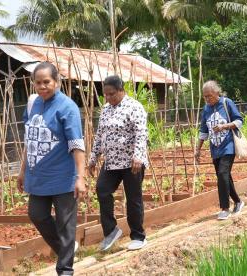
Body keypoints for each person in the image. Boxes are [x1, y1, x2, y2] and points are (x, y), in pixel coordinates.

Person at [17, 62, 86, 276]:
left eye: (46, 82)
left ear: (56, 82)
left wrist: (80, 177)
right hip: (38, 177)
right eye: (38, 83)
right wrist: (22, 171)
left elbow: (77, 144)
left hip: (63, 178)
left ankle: (65, 270)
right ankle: (66, 248)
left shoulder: (68, 107)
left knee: (66, 226)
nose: (42, 86)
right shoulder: (33, 105)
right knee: (37, 215)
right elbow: (30, 141)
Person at [88, 75, 148, 251]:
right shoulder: (106, 109)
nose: (108, 98)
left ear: (122, 90)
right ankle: (111, 231)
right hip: (112, 161)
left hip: (132, 162)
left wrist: (138, 156)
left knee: (133, 198)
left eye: (111, 94)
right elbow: (100, 135)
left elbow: (141, 133)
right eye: (105, 94)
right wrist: (93, 158)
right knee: (102, 189)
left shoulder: (134, 107)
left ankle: (138, 236)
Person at [195, 81, 245, 220]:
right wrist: (198, 149)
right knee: (224, 177)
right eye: (205, 97)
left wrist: (225, 126)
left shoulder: (226, 103)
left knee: (223, 174)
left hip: (228, 145)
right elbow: (203, 130)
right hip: (215, 148)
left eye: (209, 96)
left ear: (217, 93)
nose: (207, 99)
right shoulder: (206, 109)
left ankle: (224, 208)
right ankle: (238, 201)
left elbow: (239, 120)